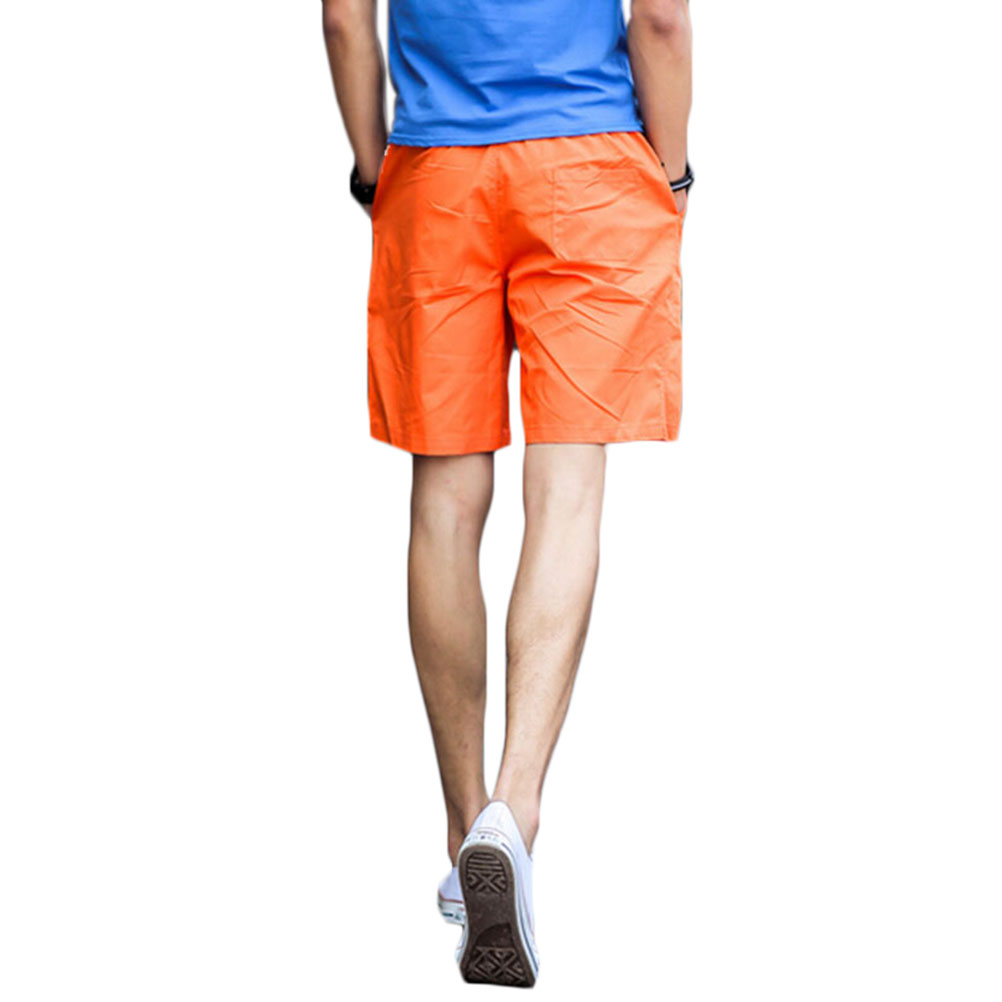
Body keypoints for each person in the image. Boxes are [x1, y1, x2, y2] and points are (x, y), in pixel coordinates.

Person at [322, 0, 692, 987]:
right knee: (565, 489)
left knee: (445, 503)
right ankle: (514, 811)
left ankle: (463, 830)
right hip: (591, 164)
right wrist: (674, 171)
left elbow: (345, 20)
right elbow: (659, 17)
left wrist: (372, 169)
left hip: (435, 171)